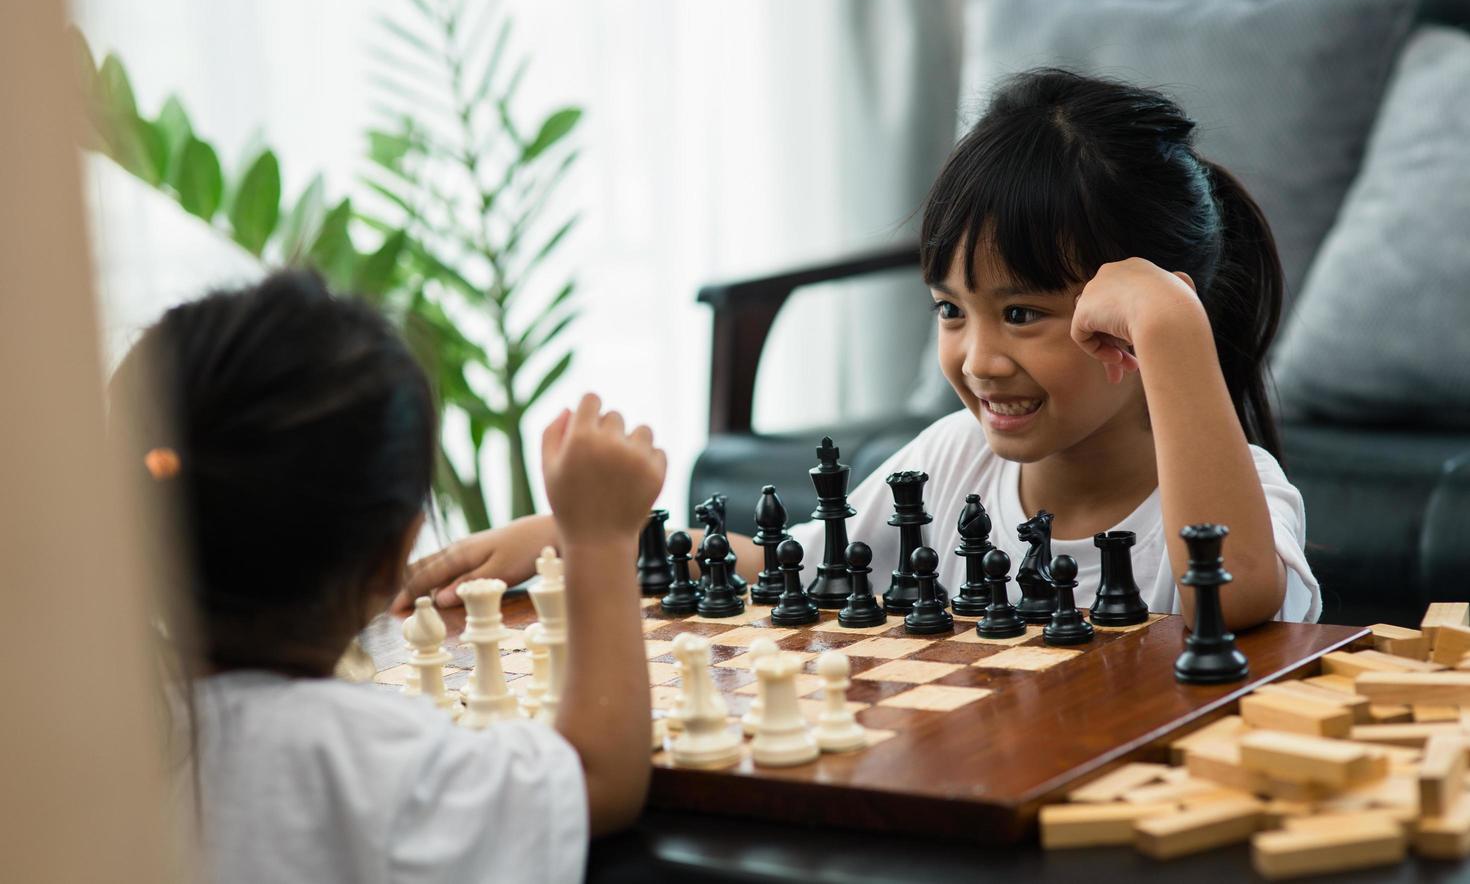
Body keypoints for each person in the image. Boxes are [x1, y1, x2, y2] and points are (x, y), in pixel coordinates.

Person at [395, 69, 1319, 628]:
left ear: (1136, 319)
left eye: (1025, 314)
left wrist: (1172, 328)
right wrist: (582, 537)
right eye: (951, 311)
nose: (979, 358)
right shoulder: (952, 465)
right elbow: (783, 563)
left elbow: (1224, 600)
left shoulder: (1243, 492)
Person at [112, 271, 664, 884]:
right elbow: (597, 776)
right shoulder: (373, 762)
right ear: (393, 555)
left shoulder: (97, 736)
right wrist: (598, 539)